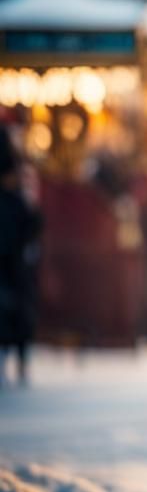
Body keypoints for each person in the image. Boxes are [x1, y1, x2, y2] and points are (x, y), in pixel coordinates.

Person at [0, 126, 41, 386]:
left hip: (12, 235)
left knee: (16, 299)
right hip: (11, 235)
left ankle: (18, 355)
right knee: (16, 299)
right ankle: (18, 355)